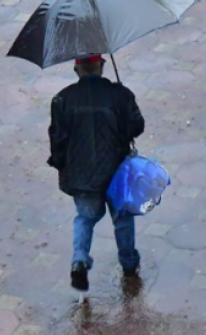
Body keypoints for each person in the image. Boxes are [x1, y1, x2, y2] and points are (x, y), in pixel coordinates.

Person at [48, 55, 145, 293]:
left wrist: (60, 165)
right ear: (102, 66)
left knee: (85, 218)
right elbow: (137, 127)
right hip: (116, 170)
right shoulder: (121, 94)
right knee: (122, 218)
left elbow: (57, 139)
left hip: (81, 174)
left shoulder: (62, 99)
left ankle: (80, 259)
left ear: (76, 69)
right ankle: (129, 264)